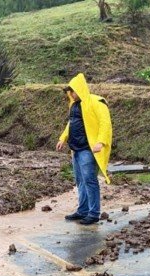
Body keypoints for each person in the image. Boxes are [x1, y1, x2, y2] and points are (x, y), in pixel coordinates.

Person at [55, 73, 112, 225]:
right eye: (69, 92)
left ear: (78, 89)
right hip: (76, 149)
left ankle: (93, 213)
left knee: (90, 180)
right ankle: (82, 210)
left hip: (88, 149)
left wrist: (100, 142)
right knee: (80, 181)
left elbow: (105, 123)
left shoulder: (96, 102)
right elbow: (71, 123)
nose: (71, 94)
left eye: (72, 91)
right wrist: (63, 138)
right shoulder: (74, 105)